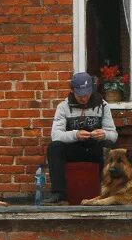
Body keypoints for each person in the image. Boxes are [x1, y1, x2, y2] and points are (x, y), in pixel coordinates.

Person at [44, 72, 118, 203]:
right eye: (80, 95)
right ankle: (59, 194)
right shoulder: (63, 107)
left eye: (87, 94)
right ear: (72, 91)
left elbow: (114, 136)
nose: (84, 98)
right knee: (54, 147)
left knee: (108, 146)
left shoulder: (103, 105)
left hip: (95, 148)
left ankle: (107, 193)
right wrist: (75, 135)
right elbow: (55, 135)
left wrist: (104, 134)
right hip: (74, 148)